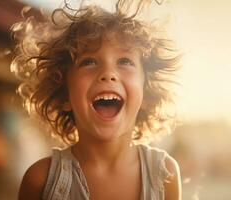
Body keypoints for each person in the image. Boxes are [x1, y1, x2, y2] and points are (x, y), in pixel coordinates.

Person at [13, 0, 182, 199]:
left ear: (146, 93)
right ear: (65, 94)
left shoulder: (163, 175)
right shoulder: (40, 181)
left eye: (125, 61)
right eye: (89, 61)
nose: (108, 73)